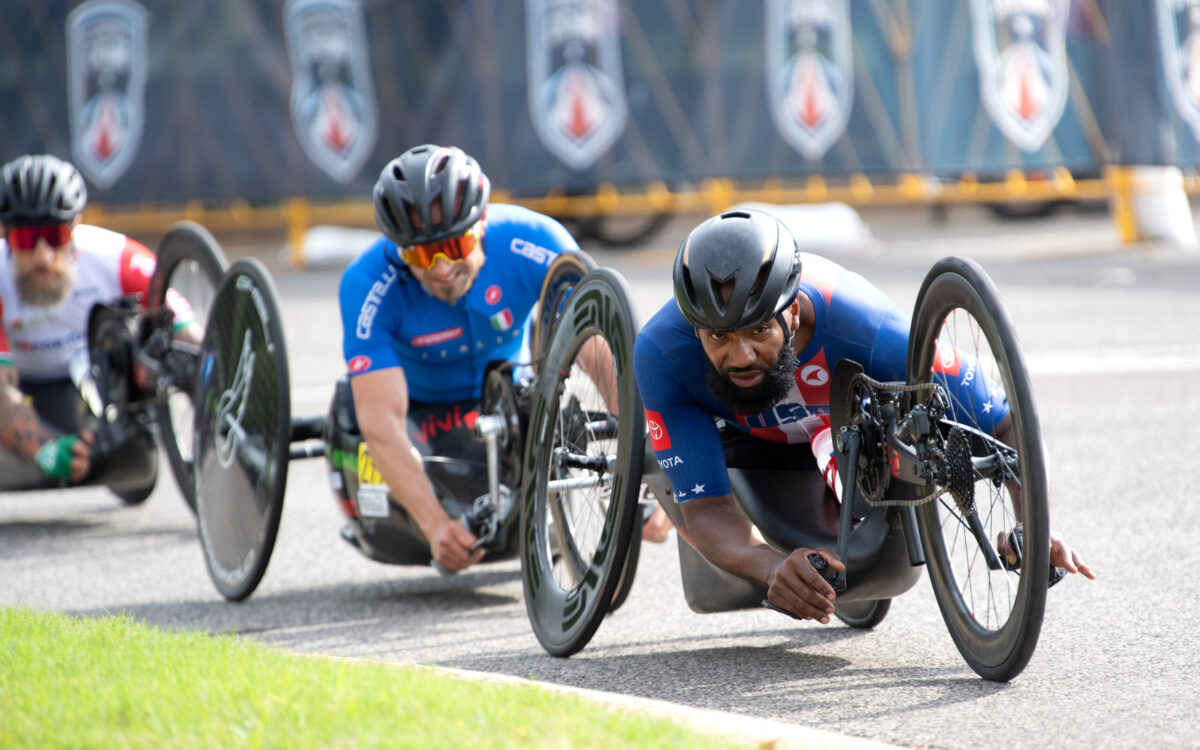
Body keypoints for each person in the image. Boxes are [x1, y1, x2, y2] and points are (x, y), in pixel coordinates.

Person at [633, 209, 1094, 623]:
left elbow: (1008, 424)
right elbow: (707, 509)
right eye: (719, 339)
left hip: (840, 419)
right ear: (696, 330)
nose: (742, 356)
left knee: (920, 433)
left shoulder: (868, 329)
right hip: (743, 439)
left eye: (758, 330)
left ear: (792, 311)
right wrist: (771, 566)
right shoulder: (662, 354)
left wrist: (1033, 525)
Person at [338, 144, 669, 574]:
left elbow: (605, 351)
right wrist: (436, 527)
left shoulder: (531, 240)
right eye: (422, 254)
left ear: (482, 226)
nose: (441, 268)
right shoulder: (367, 284)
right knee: (407, 506)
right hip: (420, 410)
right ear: (399, 251)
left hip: (506, 393)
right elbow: (380, 424)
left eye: (455, 245)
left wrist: (654, 474)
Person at [0, 154, 176, 499]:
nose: (42, 255)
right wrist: (45, 449)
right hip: (23, 389)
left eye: (54, 236)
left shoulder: (115, 255)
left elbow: (184, 322)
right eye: (25, 240)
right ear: (5, 236)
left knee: (139, 472)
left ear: (75, 227)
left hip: (92, 378)